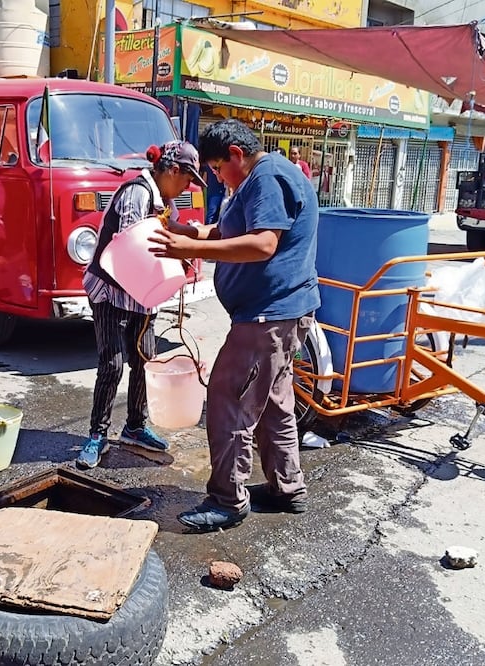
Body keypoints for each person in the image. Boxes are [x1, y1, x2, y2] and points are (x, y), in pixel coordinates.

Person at [148, 119, 320, 532]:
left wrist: (194, 247)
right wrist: (190, 231)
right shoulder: (256, 181)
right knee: (274, 403)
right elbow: (227, 231)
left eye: (216, 169)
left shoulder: (268, 177)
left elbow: (264, 243)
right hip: (275, 315)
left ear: (237, 156)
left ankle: (227, 499)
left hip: (268, 316)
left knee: (229, 399)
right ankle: (285, 487)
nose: (215, 177)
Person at [77, 140, 208, 470]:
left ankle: (135, 426)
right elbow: (131, 250)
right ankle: (97, 434)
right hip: (111, 288)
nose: (187, 187)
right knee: (113, 364)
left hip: (142, 292)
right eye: (187, 179)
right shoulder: (137, 192)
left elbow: (168, 240)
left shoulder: (165, 200)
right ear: (172, 170)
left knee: (145, 359)